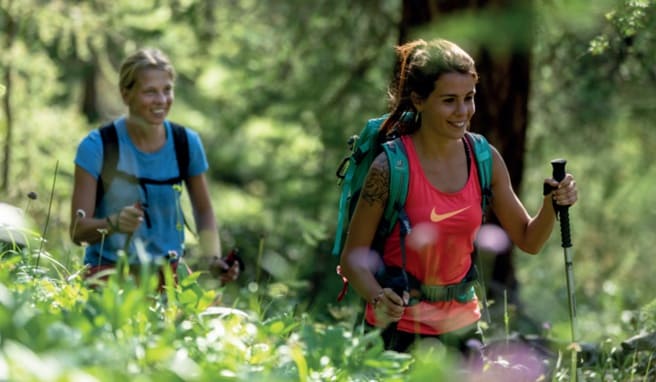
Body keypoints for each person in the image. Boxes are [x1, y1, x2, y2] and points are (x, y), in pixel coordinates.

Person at [338, 39, 578, 356]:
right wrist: (378, 297)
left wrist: (552, 204)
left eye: (469, 98)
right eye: (449, 100)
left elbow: (528, 240)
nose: (463, 111)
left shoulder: (483, 158)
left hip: (463, 328)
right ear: (419, 100)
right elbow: (351, 260)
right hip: (398, 333)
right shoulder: (390, 168)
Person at [69, 48, 240, 288]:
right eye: (150, 92)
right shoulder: (98, 146)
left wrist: (213, 260)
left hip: (168, 273)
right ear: (126, 94)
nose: (161, 100)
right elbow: (77, 231)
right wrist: (113, 223)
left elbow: (203, 210)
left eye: (167, 90)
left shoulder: (186, 143)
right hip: (108, 271)